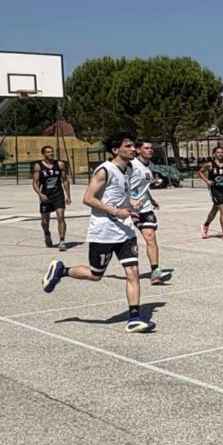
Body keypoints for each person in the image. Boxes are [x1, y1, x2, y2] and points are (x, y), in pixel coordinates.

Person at [40, 134, 154, 333]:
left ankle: (134, 318)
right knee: (95, 275)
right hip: (104, 232)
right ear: (116, 150)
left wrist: (130, 204)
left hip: (125, 231)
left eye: (133, 146)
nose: (133, 149)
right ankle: (62, 270)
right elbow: (88, 198)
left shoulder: (128, 169)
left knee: (133, 272)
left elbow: (118, 196)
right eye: (128, 146)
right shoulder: (104, 170)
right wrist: (115, 211)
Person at [131, 140, 172, 283]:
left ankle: (155, 271)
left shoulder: (150, 165)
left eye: (151, 148)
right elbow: (121, 186)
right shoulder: (130, 166)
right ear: (138, 150)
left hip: (144, 207)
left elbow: (143, 186)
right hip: (126, 208)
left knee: (151, 237)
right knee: (117, 242)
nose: (150, 150)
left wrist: (151, 199)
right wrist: (129, 201)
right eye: (146, 148)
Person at [33, 145, 70, 250]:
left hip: (58, 194)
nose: (51, 154)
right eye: (48, 152)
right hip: (45, 195)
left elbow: (65, 180)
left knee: (61, 216)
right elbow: (35, 182)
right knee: (45, 220)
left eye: (52, 151)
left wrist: (68, 195)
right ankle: (47, 234)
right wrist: (40, 194)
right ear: (43, 154)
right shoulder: (38, 166)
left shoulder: (60, 164)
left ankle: (62, 241)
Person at [200, 146, 223, 241]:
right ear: (214, 154)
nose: (220, 154)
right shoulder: (210, 164)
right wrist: (207, 180)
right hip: (214, 189)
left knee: (214, 210)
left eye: (222, 152)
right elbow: (200, 172)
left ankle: (205, 225)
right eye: (218, 152)